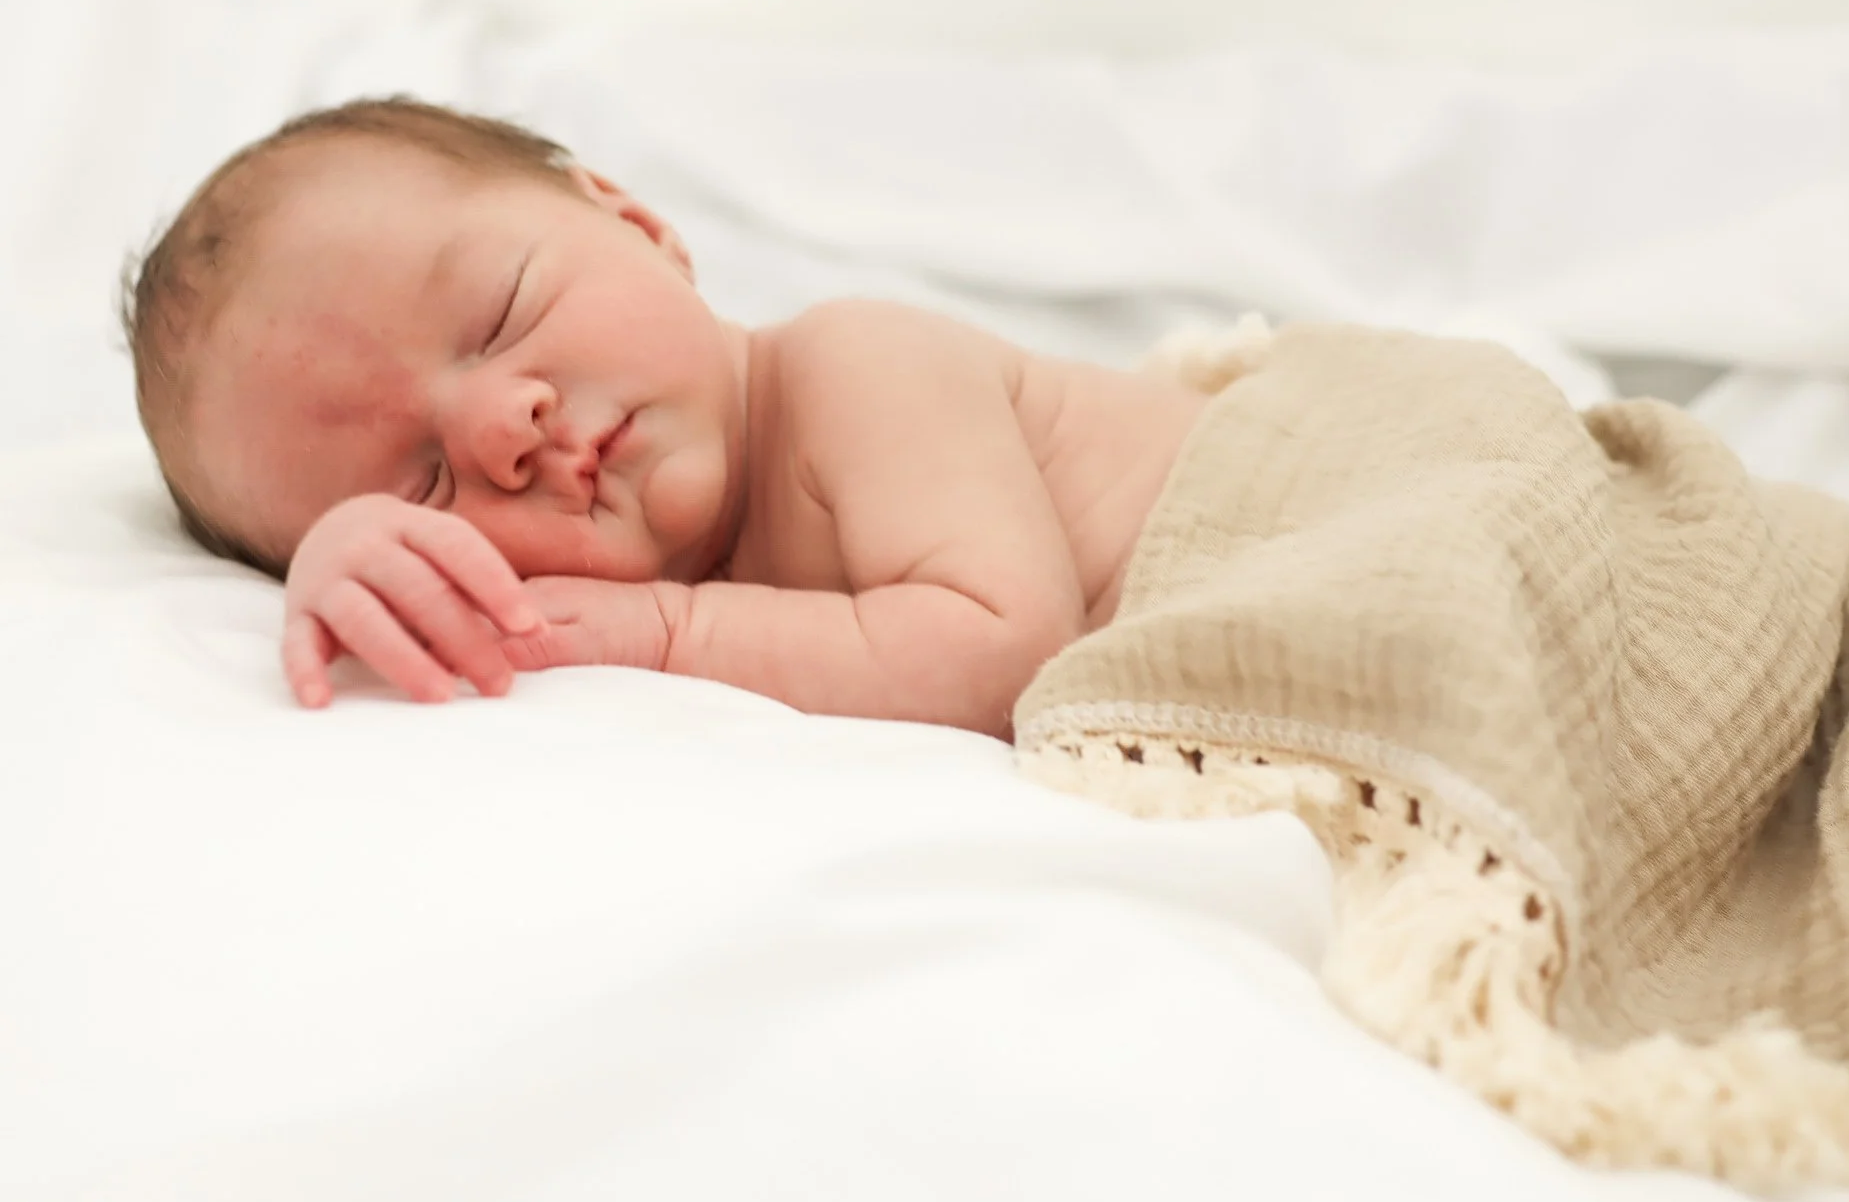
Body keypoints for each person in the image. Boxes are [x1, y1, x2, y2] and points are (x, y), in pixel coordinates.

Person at [122, 98, 1208, 739]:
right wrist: (359, 563)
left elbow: (1007, 653)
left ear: (638, 224)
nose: (504, 426)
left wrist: (670, 634)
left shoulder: (860, 367)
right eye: (422, 486)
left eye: (502, 314)